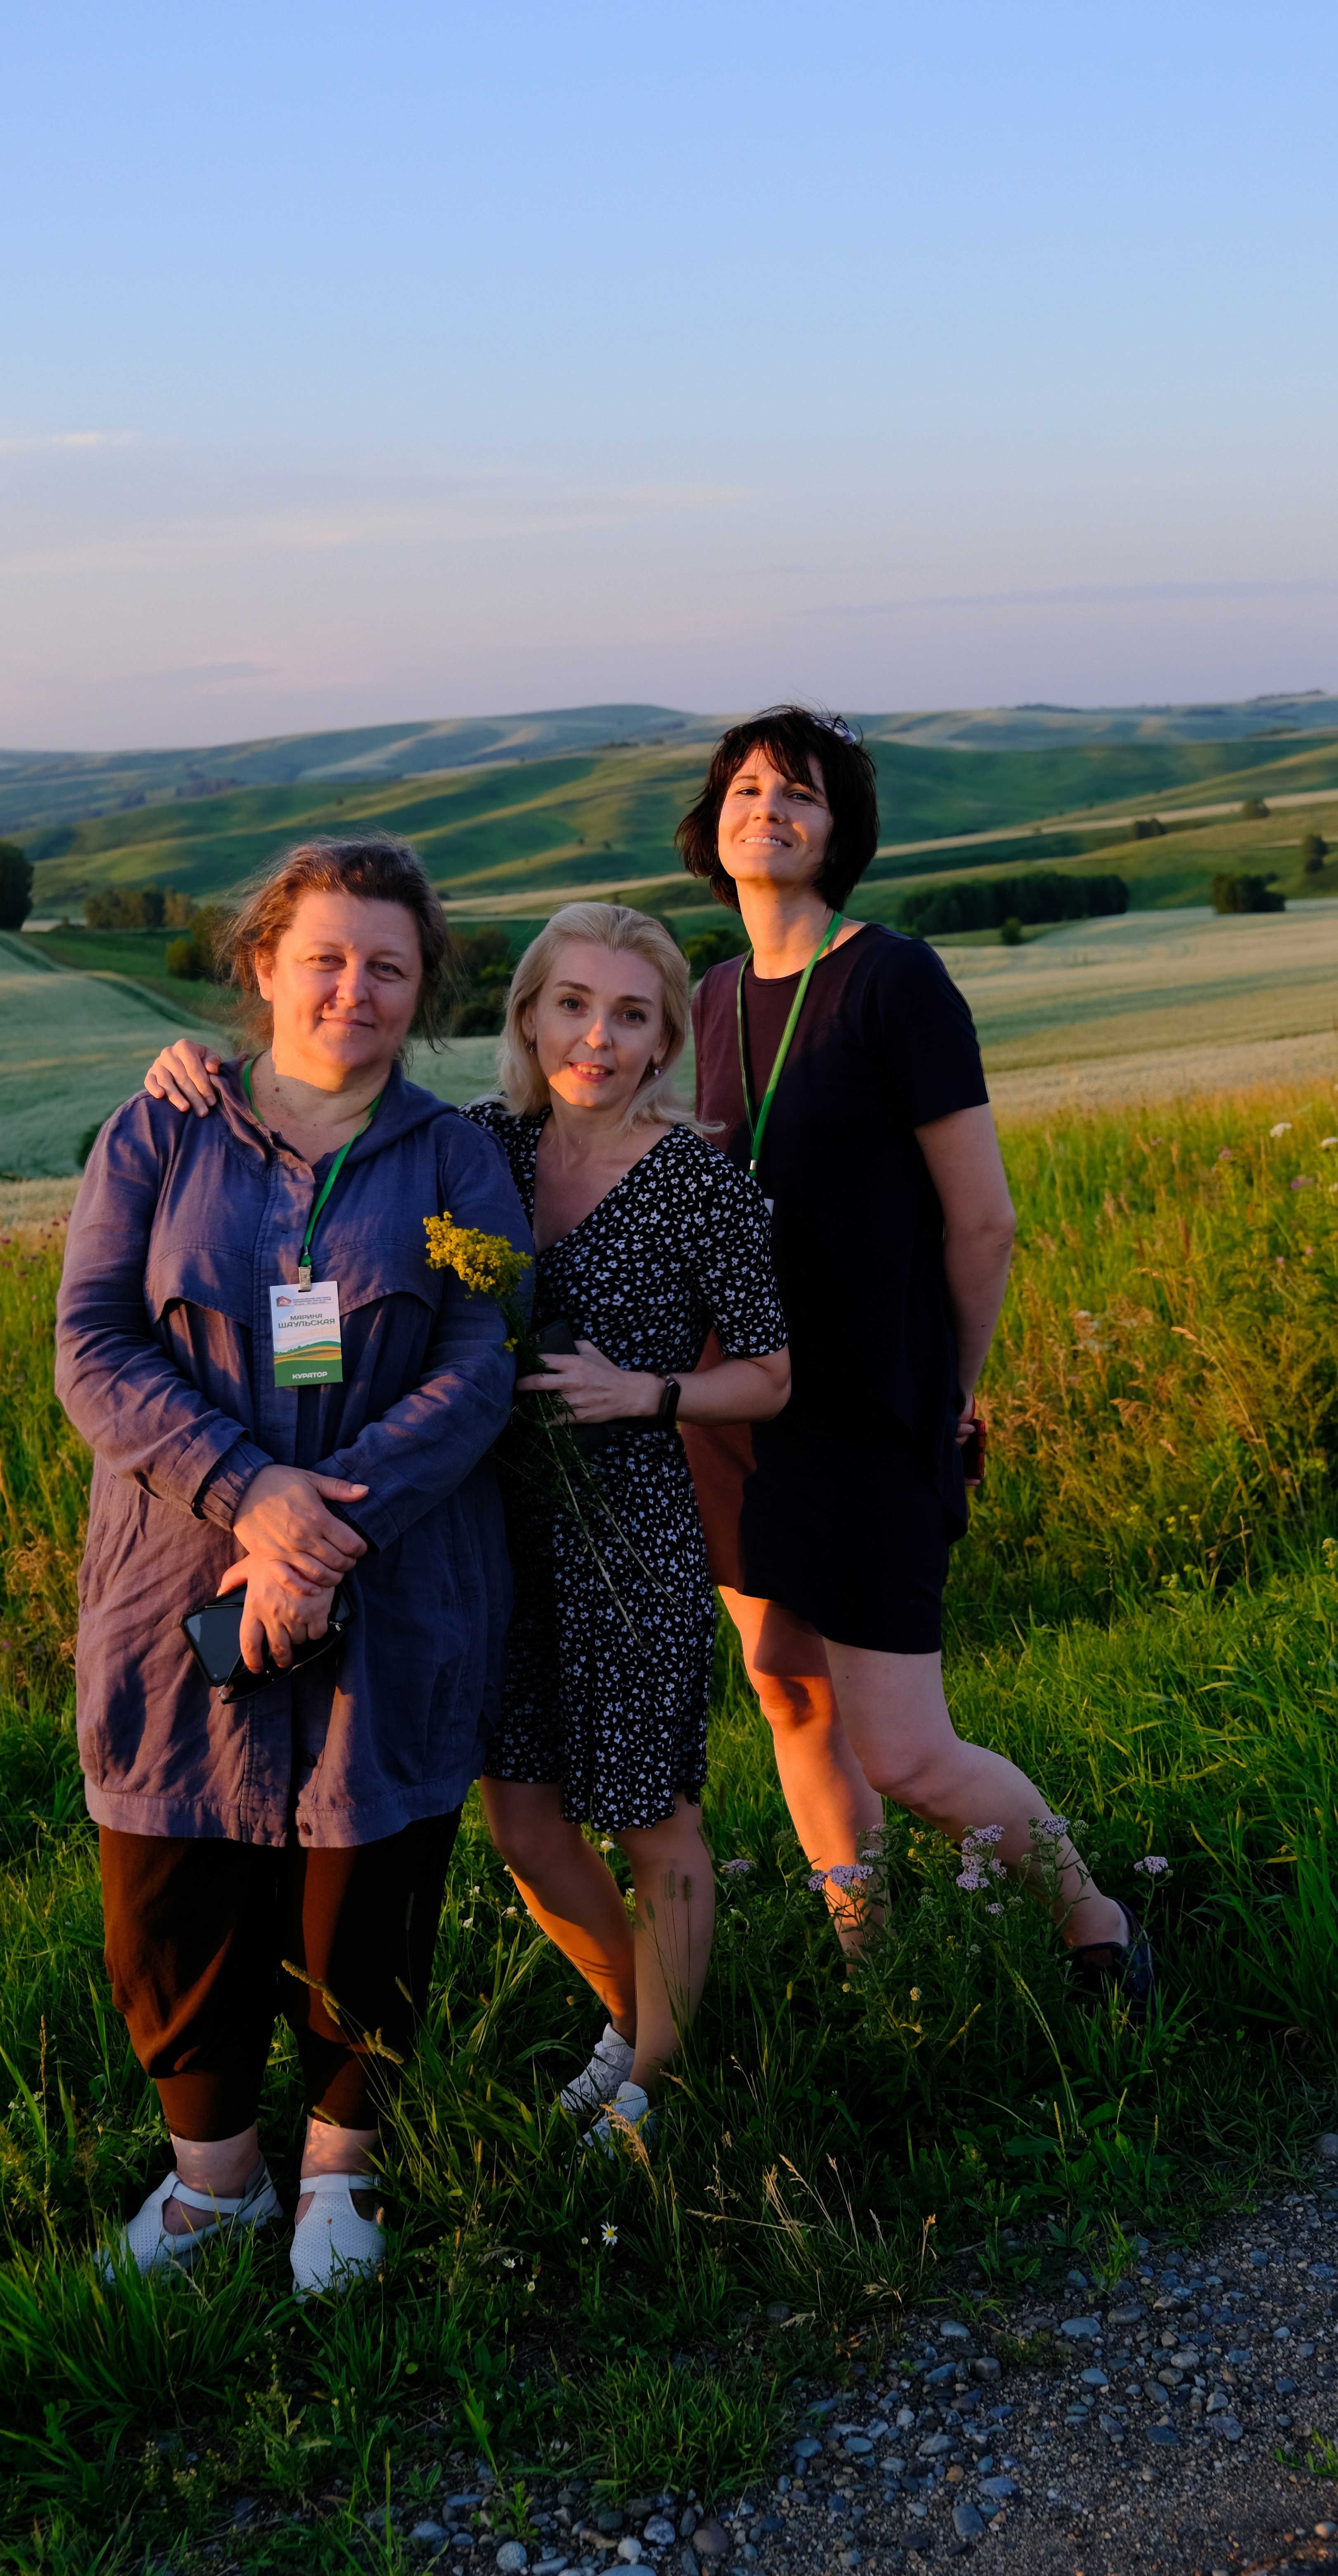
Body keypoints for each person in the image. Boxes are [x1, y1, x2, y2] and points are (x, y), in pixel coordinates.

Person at [143, 901, 790, 2144]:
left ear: (663, 1044)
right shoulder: (477, 1145)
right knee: (526, 1826)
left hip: (628, 1537)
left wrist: (646, 1393)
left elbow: (771, 1374)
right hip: (480, 1538)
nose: (596, 1038)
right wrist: (201, 1077)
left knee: (655, 1818)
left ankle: (663, 2081)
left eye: (631, 1016)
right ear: (527, 1014)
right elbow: (320, 1123)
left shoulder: (701, 1182)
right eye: (571, 1005)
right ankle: (642, 2020)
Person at [57, 836, 531, 2295]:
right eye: (324, 957)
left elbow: (482, 1358)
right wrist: (249, 1493)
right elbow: (93, 1341)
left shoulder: (457, 1159)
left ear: (422, 989)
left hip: (392, 1580)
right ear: (263, 968)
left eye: (389, 966)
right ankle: (215, 2186)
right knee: (170, 1870)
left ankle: (341, 2167)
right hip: (173, 1578)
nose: (355, 989)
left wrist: (328, 1529)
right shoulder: (161, 1133)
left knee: (367, 1873)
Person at [676, 704, 1153, 2001]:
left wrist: (951, 1388)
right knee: (787, 1695)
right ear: (714, 821)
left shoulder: (896, 981)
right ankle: (869, 1961)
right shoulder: (704, 997)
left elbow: (983, 1219)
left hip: (873, 1410)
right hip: (730, 1413)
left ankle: (1094, 1917)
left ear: (843, 834)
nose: (768, 810)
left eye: (802, 795)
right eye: (748, 788)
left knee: (906, 1749)